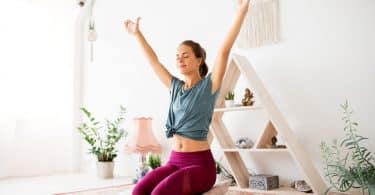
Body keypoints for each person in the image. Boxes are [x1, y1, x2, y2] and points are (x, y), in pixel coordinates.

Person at [124, 0, 250, 194]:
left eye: (185, 55)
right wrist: (137, 34)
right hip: (175, 161)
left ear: (199, 60)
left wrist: (241, 12)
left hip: (200, 166)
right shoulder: (175, 87)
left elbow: (224, 50)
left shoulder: (209, 86)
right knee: (139, 190)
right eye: (177, 56)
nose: (179, 59)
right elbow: (153, 61)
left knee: (159, 193)